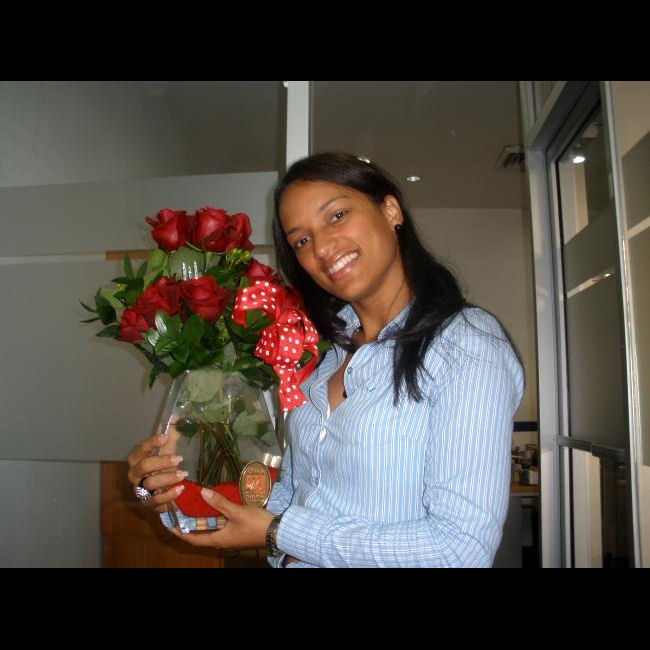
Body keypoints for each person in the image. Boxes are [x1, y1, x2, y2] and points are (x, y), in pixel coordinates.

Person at [127, 152, 524, 568]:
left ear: (390, 210)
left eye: (337, 216)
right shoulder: (325, 353)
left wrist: (278, 532)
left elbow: (459, 549)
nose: (321, 248)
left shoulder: (466, 344)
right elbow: (294, 496)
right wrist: (163, 489)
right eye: (301, 240)